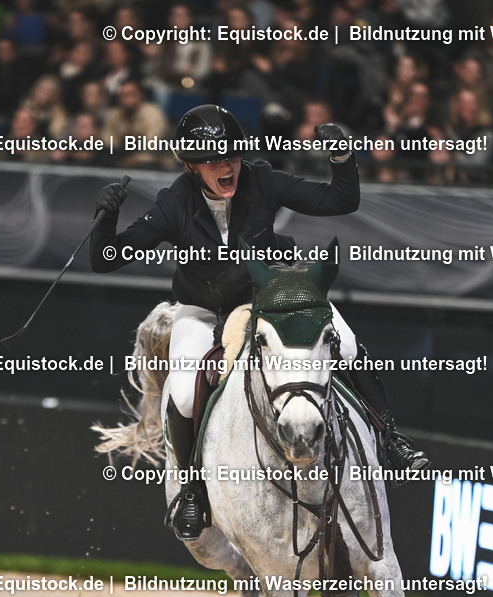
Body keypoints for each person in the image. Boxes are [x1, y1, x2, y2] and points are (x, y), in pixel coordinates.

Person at [90, 104, 428, 540]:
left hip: (268, 295)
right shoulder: (174, 202)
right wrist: (106, 218)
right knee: (186, 393)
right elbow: (106, 258)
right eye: (213, 160)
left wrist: (341, 159)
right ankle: (193, 489)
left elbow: (340, 200)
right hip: (204, 308)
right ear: (193, 166)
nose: (226, 166)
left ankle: (390, 438)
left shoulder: (262, 179)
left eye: (231, 155)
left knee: (343, 341)